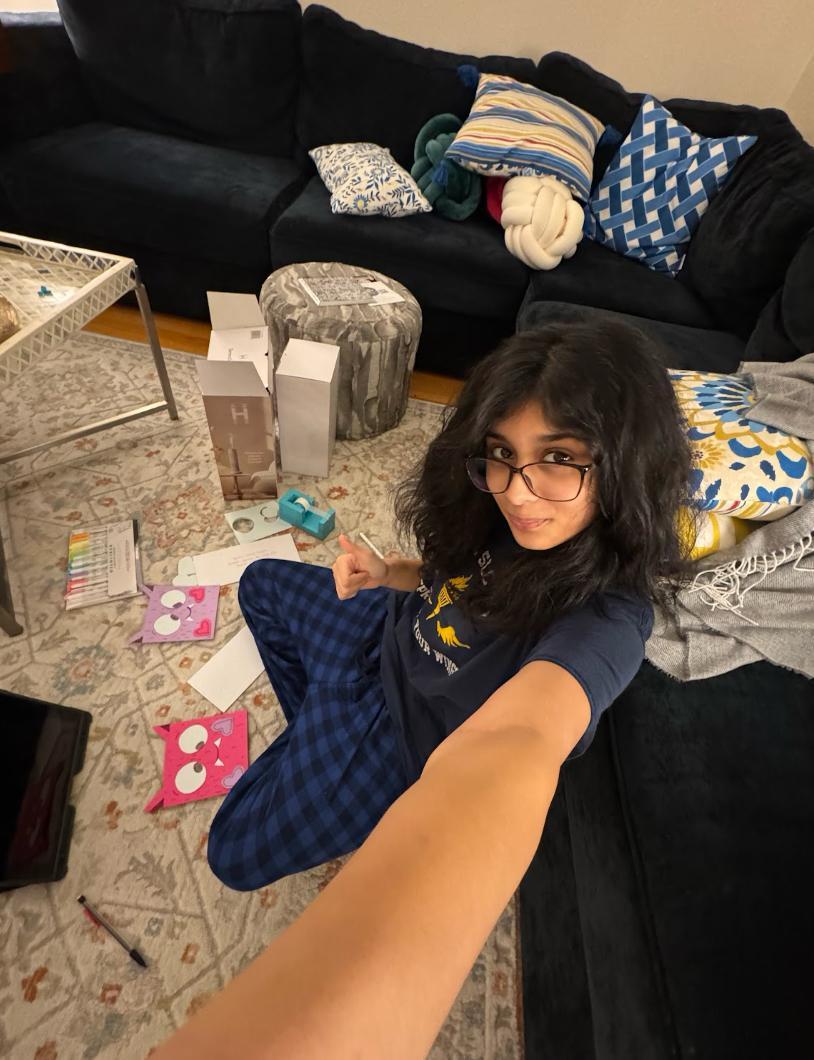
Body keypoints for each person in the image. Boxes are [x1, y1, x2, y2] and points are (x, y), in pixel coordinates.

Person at [153, 322, 696, 1059]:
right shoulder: (499, 507)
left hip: (400, 742)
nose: (519, 493)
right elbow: (452, 580)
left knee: (233, 849)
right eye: (502, 454)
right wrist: (389, 575)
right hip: (381, 638)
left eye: (559, 459)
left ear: (625, 464)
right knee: (261, 584)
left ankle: (331, 755)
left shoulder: (609, 616)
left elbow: (521, 741)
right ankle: (319, 733)